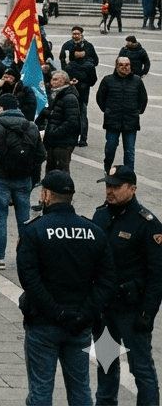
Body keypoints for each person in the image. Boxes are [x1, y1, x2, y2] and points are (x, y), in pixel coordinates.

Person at [18, 170, 115, 406]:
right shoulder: (94, 231)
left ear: (46, 195)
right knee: (81, 389)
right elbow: (106, 280)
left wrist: (56, 313)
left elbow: (30, 280)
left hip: (44, 323)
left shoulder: (34, 230)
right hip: (79, 325)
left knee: (40, 391)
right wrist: (84, 314)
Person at [91, 167, 162, 405]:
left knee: (141, 368)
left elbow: (157, 275)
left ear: (132, 189)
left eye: (115, 186)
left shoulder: (148, 224)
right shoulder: (100, 215)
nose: (109, 191)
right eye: (107, 186)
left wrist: (148, 313)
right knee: (106, 364)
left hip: (132, 310)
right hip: (105, 309)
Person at [0, 94, 46, 270]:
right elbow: (41, 155)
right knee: (24, 219)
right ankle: (26, 258)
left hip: (1, 177)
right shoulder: (31, 126)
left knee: (0, 218)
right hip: (24, 178)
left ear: (1, 107)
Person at [96, 55, 148, 173]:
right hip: (112, 121)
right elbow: (100, 98)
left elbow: (143, 98)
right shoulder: (107, 80)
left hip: (131, 121)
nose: (124, 68)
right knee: (110, 148)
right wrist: (107, 110)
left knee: (129, 150)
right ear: (116, 66)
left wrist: (138, 111)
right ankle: (107, 168)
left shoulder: (137, 81)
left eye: (127, 65)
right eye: (121, 65)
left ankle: (129, 173)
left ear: (130, 66)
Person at [59, 26, 99, 147]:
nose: (76, 35)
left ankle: (81, 138)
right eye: (74, 33)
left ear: (82, 34)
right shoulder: (67, 45)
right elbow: (62, 59)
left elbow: (95, 60)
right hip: (76, 87)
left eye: (78, 33)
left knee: (80, 113)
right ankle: (78, 137)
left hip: (81, 89)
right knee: (76, 113)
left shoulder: (89, 46)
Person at [38, 69, 82, 174]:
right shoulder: (56, 94)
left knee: (60, 170)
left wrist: (54, 132)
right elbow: (56, 114)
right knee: (51, 169)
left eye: (56, 79)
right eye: (52, 79)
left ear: (64, 81)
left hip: (63, 142)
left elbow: (72, 122)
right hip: (54, 141)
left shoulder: (69, 97)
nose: (53, 82)